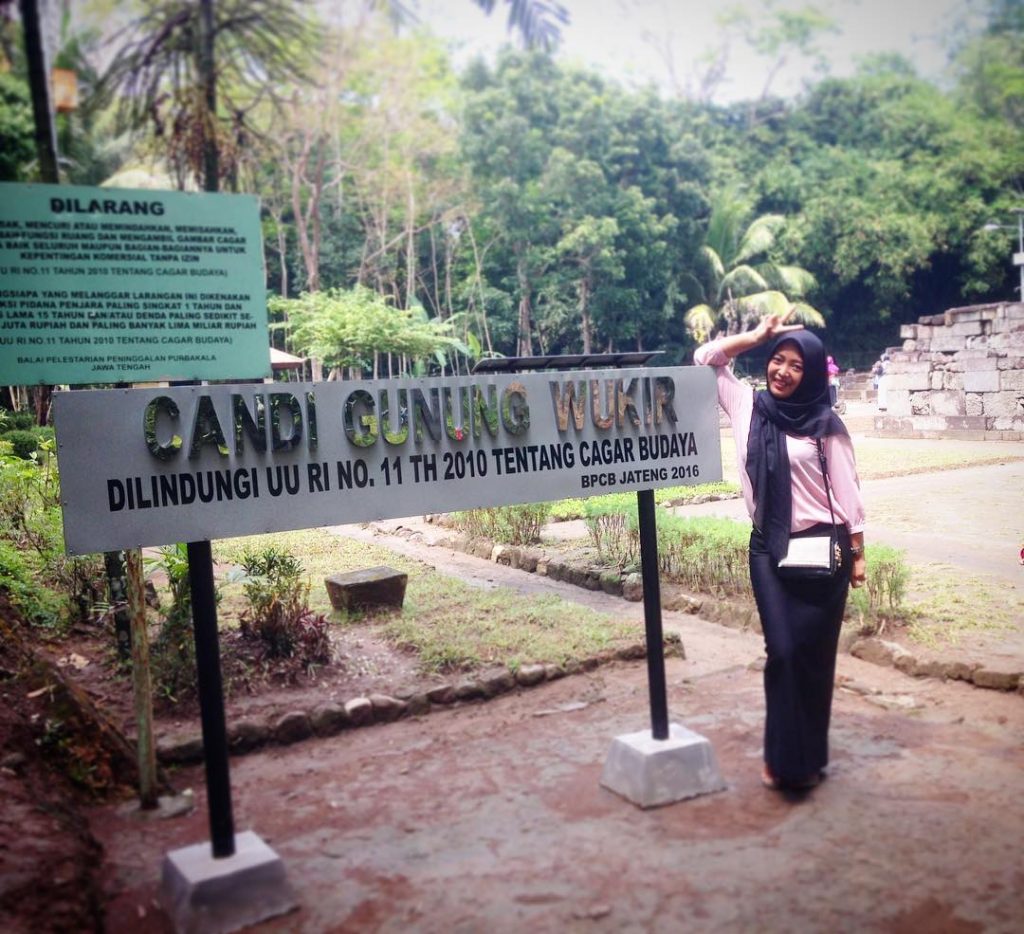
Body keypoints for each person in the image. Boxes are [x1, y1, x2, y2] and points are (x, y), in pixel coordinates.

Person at [693, 309, 866, 792]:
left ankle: (810, 757)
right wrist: (757, 335)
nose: (783, 371)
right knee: (784, 653)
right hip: (769, 547)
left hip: (822, 546)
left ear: (810, 373)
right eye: (778, 360)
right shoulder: (748, 405)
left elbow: (849, 491)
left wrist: (858, 551)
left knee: (814, 657)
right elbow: (705, 358)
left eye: (795, 365)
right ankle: (784, 759)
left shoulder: (824, 423)